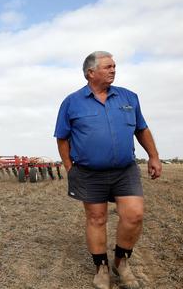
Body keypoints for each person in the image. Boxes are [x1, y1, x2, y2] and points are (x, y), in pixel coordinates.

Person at [54, 51, 162, 289]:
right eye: (107, 67)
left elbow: (141, 129)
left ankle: (121, 262)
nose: (113, 70)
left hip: (125, 170)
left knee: (134, 215)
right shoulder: (71, 102)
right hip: (89, 172)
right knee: (96, 218)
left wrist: (153, 156)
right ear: (90, 73)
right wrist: (70, 169)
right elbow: (62, 138)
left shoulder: (129, 97)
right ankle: (101, 267)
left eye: (114, 66)